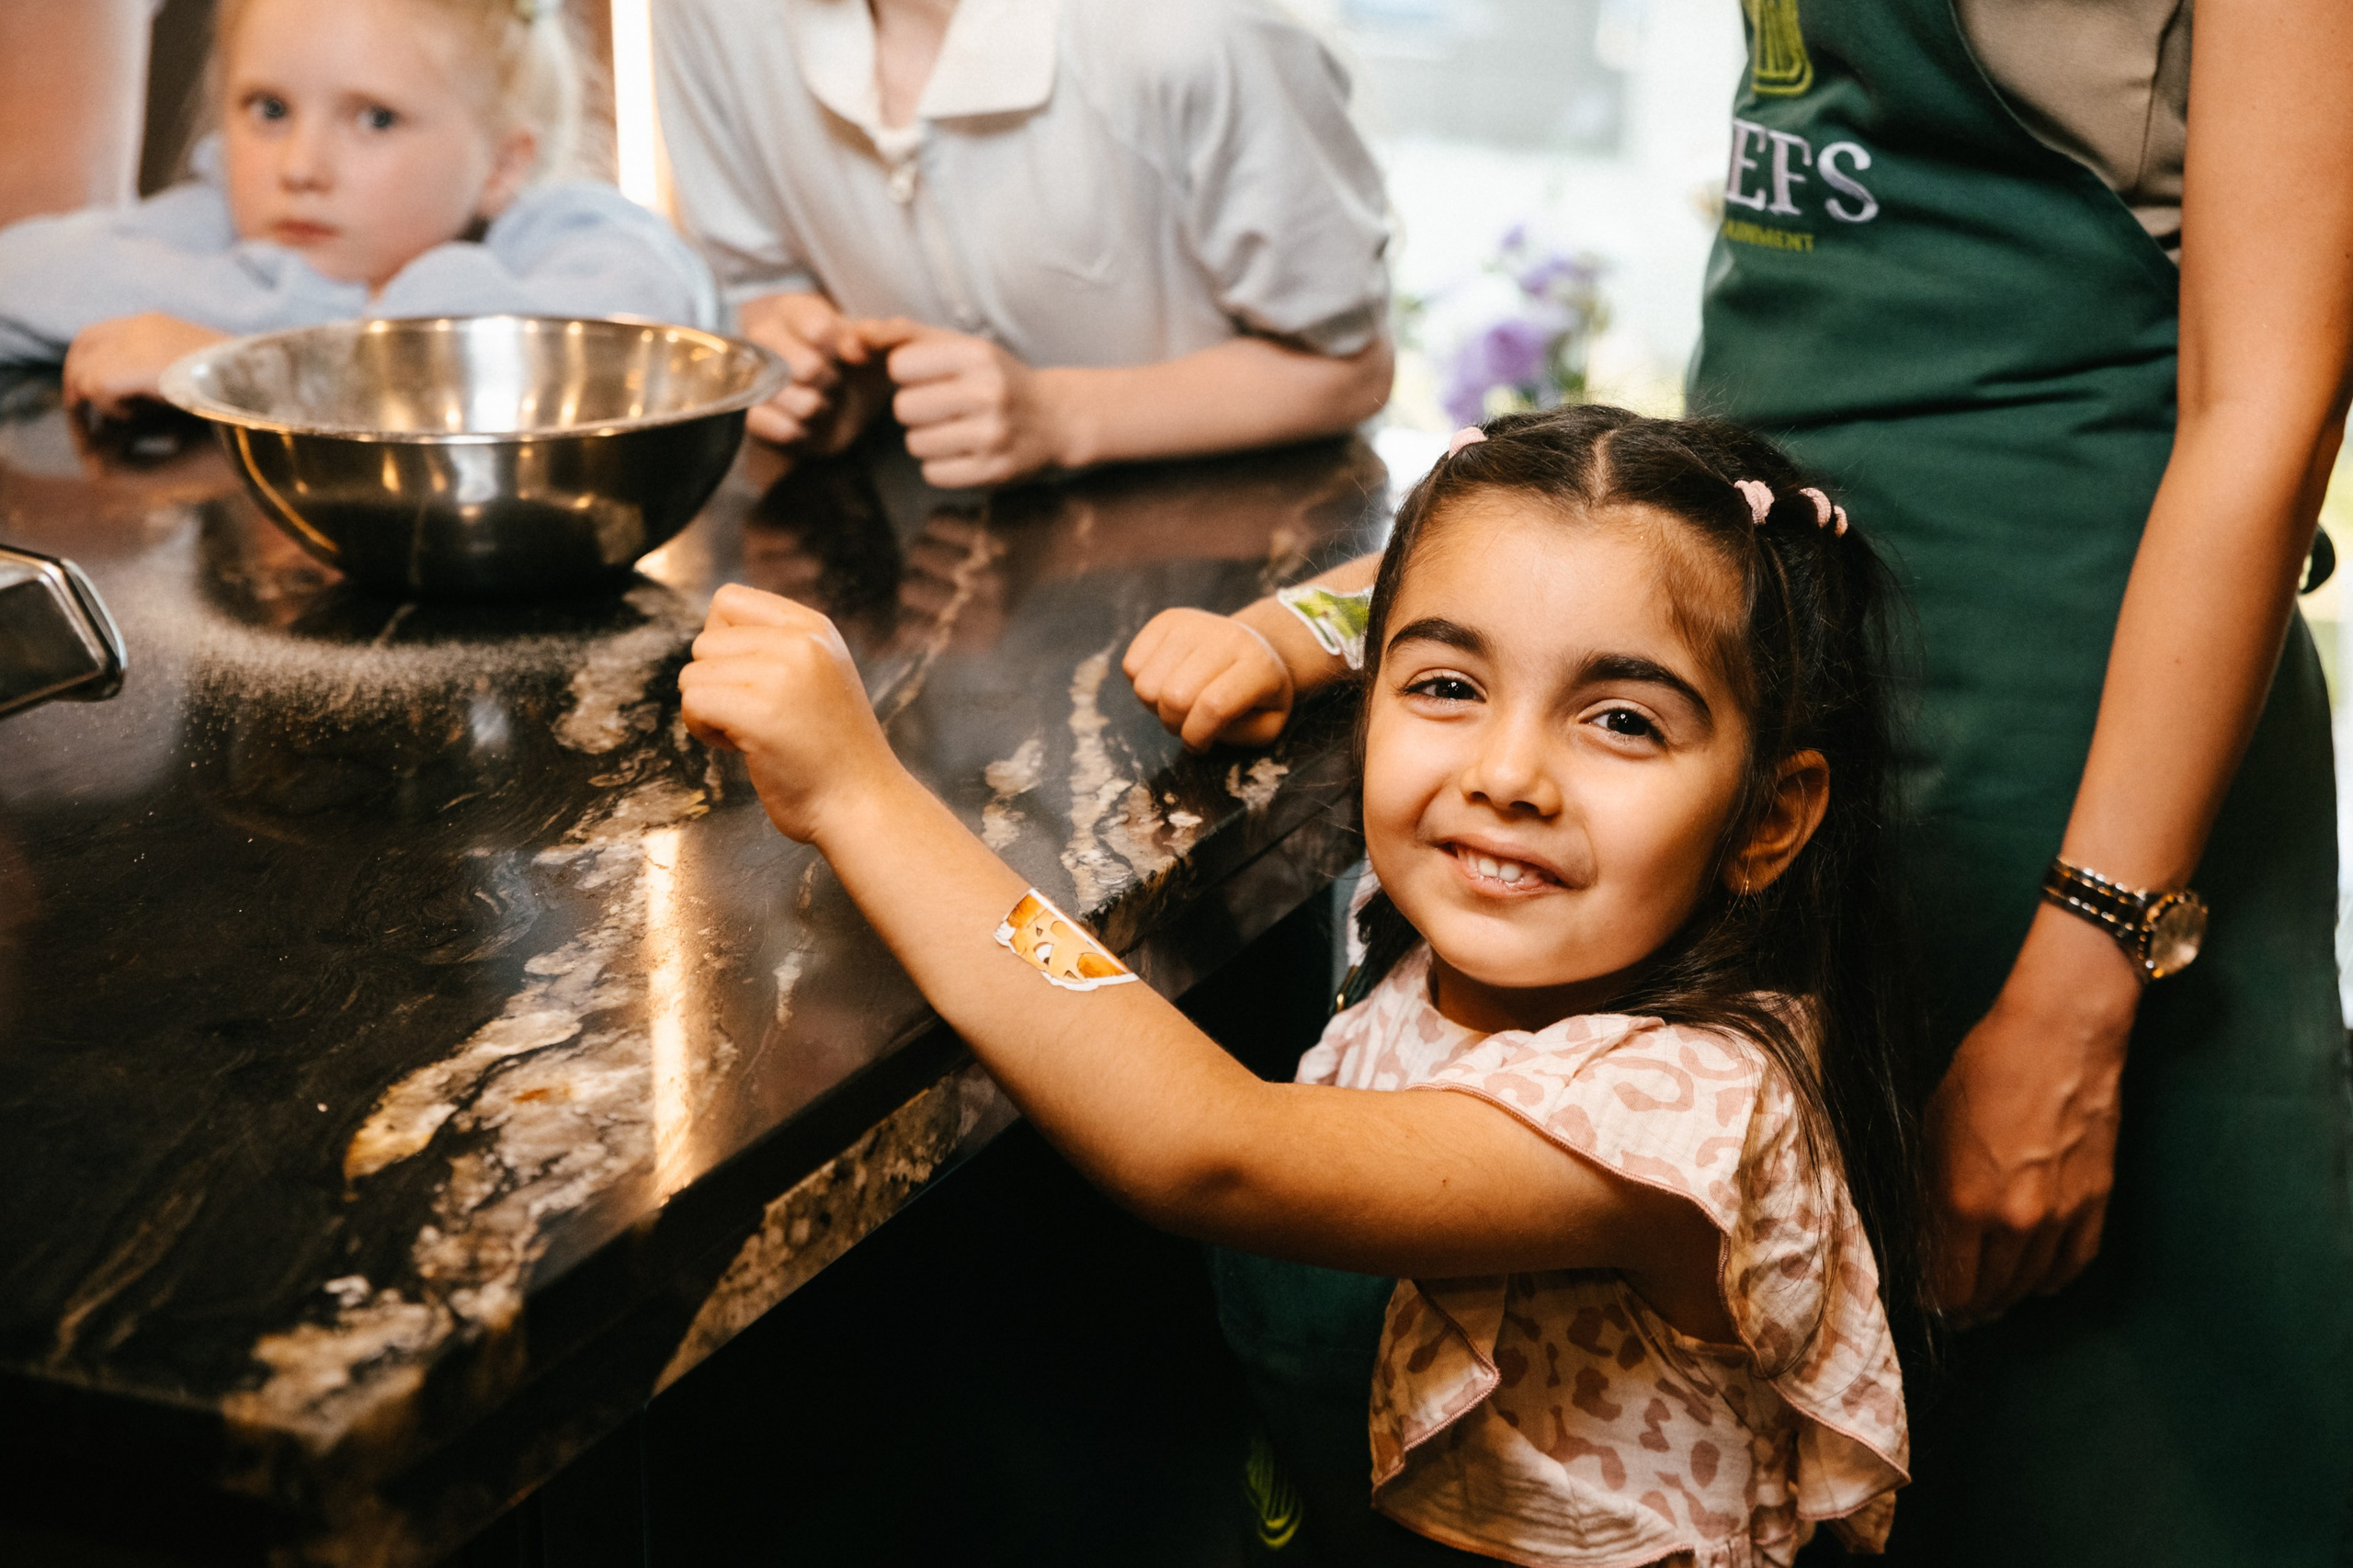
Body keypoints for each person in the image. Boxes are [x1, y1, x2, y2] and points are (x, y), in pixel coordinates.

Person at [679, 405, 1917, 1565]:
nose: (1507, 772)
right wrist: (1283, 637)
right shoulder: (1502, 899)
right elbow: (1408, 585)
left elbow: (1206, 1146)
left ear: (1771, 817)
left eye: (1623, 721)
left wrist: (859, 792)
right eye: (1446, 684)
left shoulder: (1688, 1112)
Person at [652, 0, 1393, 489]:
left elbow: (1351, 367)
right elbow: (765, 282)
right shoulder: (708, 16)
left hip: (1235, 537)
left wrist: (1062, 413)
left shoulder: (1203, 29)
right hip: (923, 552)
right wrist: (811, 360)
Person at [0, 0, 719, 416]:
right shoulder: (220, 219)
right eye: (269, 109)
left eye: (374, 119)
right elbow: (21, 274)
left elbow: (643, 327)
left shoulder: (570, 231)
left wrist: (239, 372)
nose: (301, 167)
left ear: (503, 165)